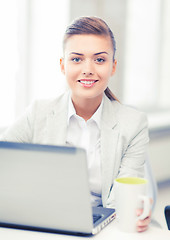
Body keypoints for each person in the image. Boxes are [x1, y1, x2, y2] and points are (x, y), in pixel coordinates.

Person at [0, 16, 152, 232]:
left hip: (105, 229)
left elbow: (122, 200)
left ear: (113, 66)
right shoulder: (38, 113)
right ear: (63, 65)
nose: (88, 69)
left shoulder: (133, 124)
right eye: (76, 59)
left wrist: (133, 210)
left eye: (99, 60)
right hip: (42, 224)